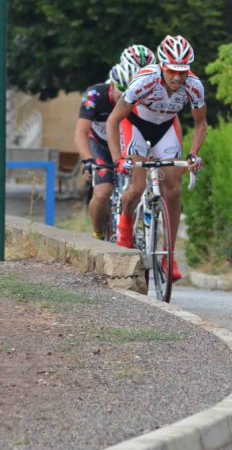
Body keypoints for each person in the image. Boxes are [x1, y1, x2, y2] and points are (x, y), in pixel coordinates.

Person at [105, 34, 208, 282]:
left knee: (173, 191)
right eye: (172, 70)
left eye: (183, 71)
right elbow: (113, 120)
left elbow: (201, 124)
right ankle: (125, 227)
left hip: (166, 127)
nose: (178, 77)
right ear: (162, 66)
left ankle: (168, 255)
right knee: (137, 186)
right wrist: (118, 159)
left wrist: (194, 154)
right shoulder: (145, 80)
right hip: (136, 125)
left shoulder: (194, 85)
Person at [74, 60, 139, 239]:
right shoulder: (95, 95)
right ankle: (97, 233)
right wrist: (88, 160)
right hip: (100, 144)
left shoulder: (138, 98)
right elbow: (80, 133)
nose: (124, 96)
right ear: (112, 85)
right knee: (102, 193)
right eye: (121, 90)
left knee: (135, 190)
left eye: (129, 91)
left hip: (124, 145)